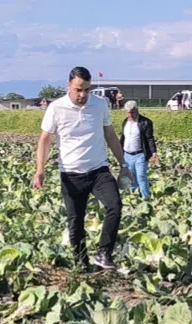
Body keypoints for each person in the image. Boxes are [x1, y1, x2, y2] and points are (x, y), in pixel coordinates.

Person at [34, 67, 133, 271]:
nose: (83, 95)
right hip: (71, 173)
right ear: (69, 86)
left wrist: (123, 165)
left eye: (87, 90)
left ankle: (104, 253)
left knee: (114, 205)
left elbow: (110, 135)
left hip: (99, 170)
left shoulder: (100, 104)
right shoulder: (56, 108)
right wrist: (40, 170)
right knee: (75, 221)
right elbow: (45, 140)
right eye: (79, 89)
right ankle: (81, 264)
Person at [120, 101, 157, 200]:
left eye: (132, 112)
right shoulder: (125, 122)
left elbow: (150, 138)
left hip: (140, 154)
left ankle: (146, 198)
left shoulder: (145, 122)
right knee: (131, 178)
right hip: (127, 155)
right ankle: (135, 197)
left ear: (137, 110)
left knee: (141, 176)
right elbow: (123, 138)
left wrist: (154, 152)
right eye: (128, 112)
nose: (130, 114)